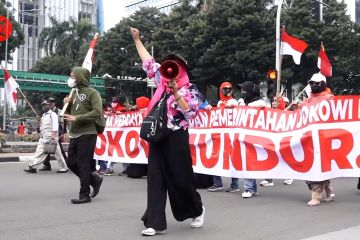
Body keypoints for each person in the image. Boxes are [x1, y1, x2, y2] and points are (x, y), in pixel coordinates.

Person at [131, 27, 204, 236]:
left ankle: (197, 210)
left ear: (182, 70)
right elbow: (147, 61)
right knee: (155, 178)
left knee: (181, 179)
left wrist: (177, 93)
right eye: (167, 66)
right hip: (157, 136)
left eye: (175, 66)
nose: (170, 70)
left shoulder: (190, 89)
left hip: (177, 137)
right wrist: (137, 39)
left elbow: (191, 114)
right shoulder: (160, 82)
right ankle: (155, 222)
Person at [63, 67, 104, 204]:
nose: (70, 79)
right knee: (71, 163)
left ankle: (84, 195)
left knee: (83, 164)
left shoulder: (93, 93)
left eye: (72, 76)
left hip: (88, 132)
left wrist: (78, 118)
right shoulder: (74, 93)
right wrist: (67, 104)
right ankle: (94, 180)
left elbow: (97, 112)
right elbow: (70, 113)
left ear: (80, 77)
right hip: (74, 133)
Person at [303, 73, 334, 206]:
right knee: (309, 166)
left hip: (323, 140)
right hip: (308, 139)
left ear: (323, 84)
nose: (314, 86)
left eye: (317, 83)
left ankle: (316, 196)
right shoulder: (307, 101)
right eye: (312, 83)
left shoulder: (329, 98)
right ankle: (327, 189)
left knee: (317, 167)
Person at [237, 81, 269, 198]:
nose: (242, 92)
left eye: (244, 90)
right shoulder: (240, 102)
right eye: (241, 90)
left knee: (249, 161)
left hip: (255, 136)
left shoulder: (260, 103)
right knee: (249, 161)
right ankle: (252, 188)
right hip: (243, 136)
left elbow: (268, 116)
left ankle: (248, 188)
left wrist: (264, 109)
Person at [207, 82, 240, 193]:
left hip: (230, 136)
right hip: (219, 136)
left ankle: (235, 185)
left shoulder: (233, 102)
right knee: (216, 157)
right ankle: (217, 183)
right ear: (221, 90)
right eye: (225, 88)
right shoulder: (220, 102)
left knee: (232, 159)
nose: (227, 90)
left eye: (229, 88)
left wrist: (232, 107)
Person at [24, 100, 68, 173]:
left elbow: (55, 125)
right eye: (43, 105)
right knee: (39, 152)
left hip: (51, 137)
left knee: (58, 154)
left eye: (46, 105)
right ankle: (33, 167)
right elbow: (42, 126)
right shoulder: (44, 115)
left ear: (49, 105)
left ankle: (64, 168)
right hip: (43, 137)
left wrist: (53, 135)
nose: (44, 106)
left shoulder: (53, 114)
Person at [259, 96, 293, 186]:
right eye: (273, 100)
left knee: (285, 159)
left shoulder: (287, 114)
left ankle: (289, 176)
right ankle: (269, 180)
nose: (274, 102)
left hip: (283, 140)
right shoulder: (270, 111)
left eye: (276, 101)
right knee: (269, 158)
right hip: (272, 140)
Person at [40, 97, 67, 172]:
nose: (50, 104)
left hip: (56, 133)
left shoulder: (59, 111)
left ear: (54, 103)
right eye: (49, 103)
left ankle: (66, 164)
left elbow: (62, 123)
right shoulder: (46, 112)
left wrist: (62, 133)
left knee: (59, 150)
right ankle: (46, 165)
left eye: (52, 102)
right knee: (46, 148)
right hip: (47, 133)